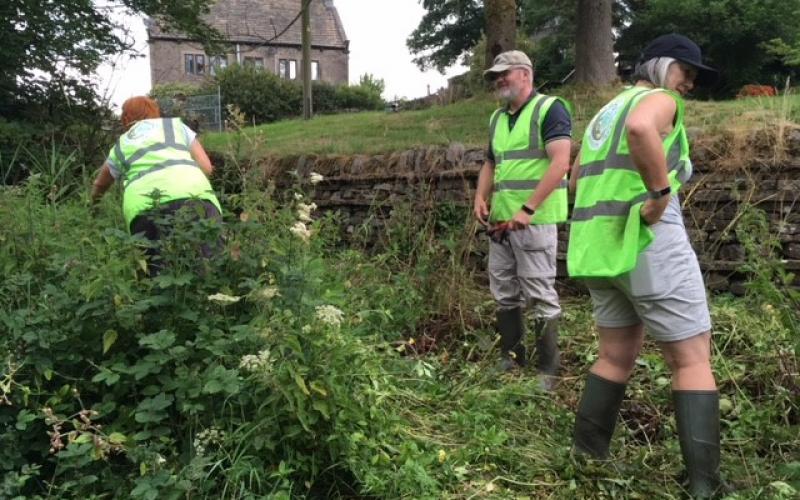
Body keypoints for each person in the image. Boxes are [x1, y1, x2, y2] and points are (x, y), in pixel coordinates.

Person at [567, 34, 722, 497]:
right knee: (692, 360)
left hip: (600, 252)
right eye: (686, 73)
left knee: (615, 356)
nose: (688, 85)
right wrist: (658, 194)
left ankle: (585, 461)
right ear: (662, 66)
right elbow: (641, 129)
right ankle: (704, 487)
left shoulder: (603, 112)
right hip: (647, 242)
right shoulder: (658, 100)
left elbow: (576, 179)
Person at [474, 50, 572, 389]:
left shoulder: (549, 109)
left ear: (526, 74)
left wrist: (527, 209)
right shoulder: (497, 119)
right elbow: (490, 162)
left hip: (534, 221)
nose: (499, 80)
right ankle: (511, 359)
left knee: (538, 293)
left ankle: (548, 371)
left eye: (505, 73)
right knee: (504, 291)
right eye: (495, 76)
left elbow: (561, 162)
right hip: (501, 223)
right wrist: (479, 196)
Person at [91, 96, 222, 274]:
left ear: (126, 119)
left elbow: (100, 185)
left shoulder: (122, 144)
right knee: (211, 269)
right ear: (155, 112)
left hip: (145, 209)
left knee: (157, 277)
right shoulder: (175, 127)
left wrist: (93, 206)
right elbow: (206, 168)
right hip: (197, 199)